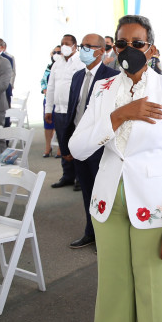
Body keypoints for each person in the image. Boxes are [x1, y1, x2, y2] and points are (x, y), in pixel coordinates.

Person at [68, 15, 162, 322]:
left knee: (154, 296)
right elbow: (77, 148)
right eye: (121, 43)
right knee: (113, 291)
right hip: (108, 203)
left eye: (137, 43)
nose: (128, 50)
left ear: (151, 49)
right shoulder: (104, 89)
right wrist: (120, 115)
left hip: (154, 206)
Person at [61, 33, 119, 249]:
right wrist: (67, 142)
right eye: (82, 46)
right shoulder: (78, 76)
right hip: (80, 142)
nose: (83, 50)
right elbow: (72, 111)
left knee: (102, 191)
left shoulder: (112, 77)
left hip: (100, 145)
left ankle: (106, 238)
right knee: (86, 190)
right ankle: (91, 232)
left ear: (101, 51)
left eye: (88, 46)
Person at [45, 34, 83, 189]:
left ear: (74, 46)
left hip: (75, 111)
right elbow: (51, 87)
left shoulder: (80, 62)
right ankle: (67, 176)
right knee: (63, 143)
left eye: (67, 43)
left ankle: (80, 178)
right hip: (59, 110)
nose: (64, 46)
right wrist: (48, 109)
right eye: (62, 43)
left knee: (77, 145)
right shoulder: (57, 64)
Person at [41, 46, 60, 157]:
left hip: (60, 100)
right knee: (48, 125)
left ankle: (61, 148)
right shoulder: (49, 67)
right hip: (48, 99)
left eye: (59, 52)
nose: (56, 54)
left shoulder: (66, 67)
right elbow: (43, 81)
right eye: (54, 52)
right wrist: (44, 89)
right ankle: (48, 147)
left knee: (60, 124)